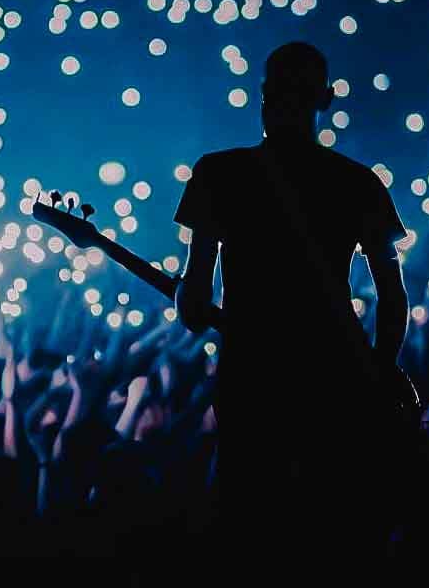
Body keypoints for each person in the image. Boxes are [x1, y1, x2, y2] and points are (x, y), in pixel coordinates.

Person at [173, 41, 411, 565]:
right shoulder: (358, 183)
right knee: (331, 540)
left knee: (250, 535)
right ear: (325, 99)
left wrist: (187, 300)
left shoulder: (217, 174)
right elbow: (393, 299)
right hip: (336, 385)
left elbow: (193, 306)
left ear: (262, 95)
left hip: (252, 384)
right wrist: (378, 371)